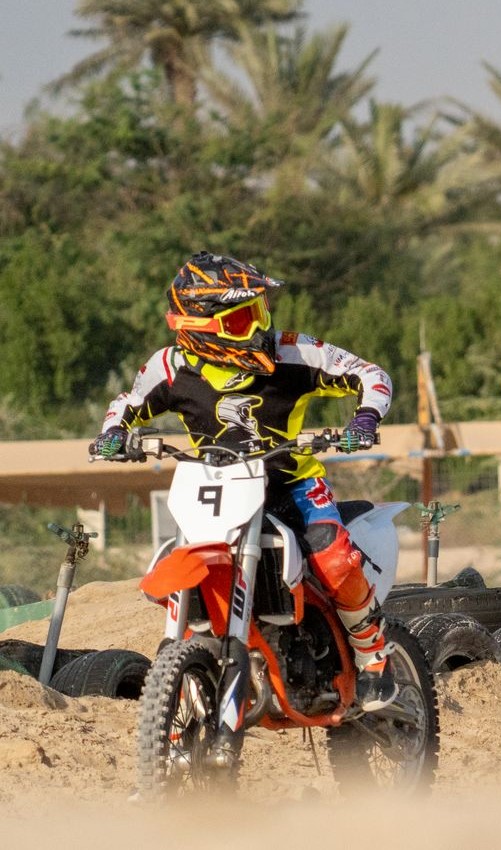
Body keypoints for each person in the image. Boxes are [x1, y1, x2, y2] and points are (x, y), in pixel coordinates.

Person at [90, 252, 399, 709]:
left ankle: (372, 652)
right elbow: (127, 403)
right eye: (240, 321)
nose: (258, 329)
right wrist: (113, 434)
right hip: (216, 489)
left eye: (258, 312)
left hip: (291, 482)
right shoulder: (170, 367)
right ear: (199, 331)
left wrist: (365, 418)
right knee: (176, 558)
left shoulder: (293, 352)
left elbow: (370, 374)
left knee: (332, 557)